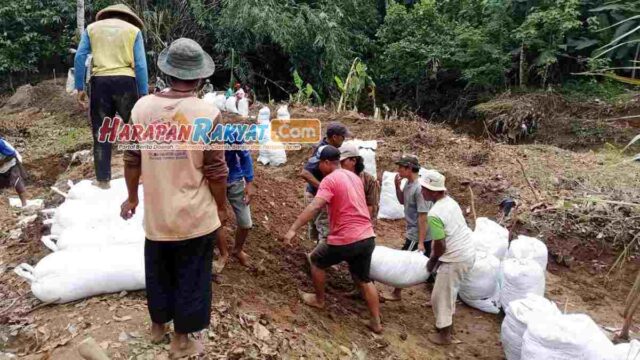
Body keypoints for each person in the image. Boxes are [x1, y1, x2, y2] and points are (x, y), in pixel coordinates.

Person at [120, 38, 227, 359]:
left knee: (159, 270)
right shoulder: (208, 113)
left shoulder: (141, 108)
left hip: (157, 216)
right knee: (192, 277)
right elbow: (217, 171)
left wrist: (131, 198)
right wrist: (220, 206)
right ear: (199, 78)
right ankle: (180, 341)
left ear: (166, 74)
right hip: (194, 216)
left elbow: (131, 159)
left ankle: (157, 329)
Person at [284, 145, 382, 334]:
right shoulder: (354, 177)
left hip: (346, 238)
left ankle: (319, 300)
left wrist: (293, 229)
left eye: (319, 164)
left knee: (316, 260)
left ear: (327, 163)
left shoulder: (330, 180)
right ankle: (376, 322)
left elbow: (315, 206)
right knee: (363, 279)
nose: (318, 168)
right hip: (367, 236)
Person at [74, 4, 148, 189]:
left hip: (100, 83)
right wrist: (144, 93)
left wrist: (79, 87)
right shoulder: (133, 30)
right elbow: (140, 64)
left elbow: (80, 57)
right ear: (128, 17)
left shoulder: (92, 29)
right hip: (126, 83)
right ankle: (143, 175)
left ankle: (103, 180)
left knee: (102, 132)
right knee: (135, 130)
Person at [420, 170, 475, 345]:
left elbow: (440, 244)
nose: (422, 192)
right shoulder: (450, 202)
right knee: (448, 290)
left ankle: (444, 336)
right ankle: (447, 326)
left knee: (440, 296)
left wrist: (433, 261)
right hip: (467, 251)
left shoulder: (435, 214)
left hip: (456, 257)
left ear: (436, 192)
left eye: (425, 189)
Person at [382, 155, 431, 302]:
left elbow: (423, 217)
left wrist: (420, 241)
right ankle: (436, 294)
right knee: (432, 262)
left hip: (418, 232)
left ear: (409, 169)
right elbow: (403, 201)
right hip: (418, 231)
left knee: (404, 260)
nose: (398, 170)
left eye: (400, 167)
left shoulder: (419, 188)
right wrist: (397, 187)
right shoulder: (409, 184)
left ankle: (396, 292)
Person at [300, 122, 351, 243]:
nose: (344, 140)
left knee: (318, 230)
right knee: (326, 231)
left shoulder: (327, 148)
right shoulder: (323, 150)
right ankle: (322, 259)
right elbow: (305, 173)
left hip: (314, 193)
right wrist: (323, 187)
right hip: (318, 196)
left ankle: (315, 256)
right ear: (335, 137)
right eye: (343, 137)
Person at [214, 134, 255, 272]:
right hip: (212, 181)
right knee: (217, 219)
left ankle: (237, 250)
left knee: (245, 223)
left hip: (234, 179)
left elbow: (245, 155)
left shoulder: (231, 134)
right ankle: (223, 253)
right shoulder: (199, 135)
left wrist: (249, 182)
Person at [338, 143, 379, 223]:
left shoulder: (368, 180)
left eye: (342, 161)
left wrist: (363, 223)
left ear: (353, 161)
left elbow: (370, 205)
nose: (340, 165)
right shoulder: (338, 178)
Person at [0, 138, 28, 207]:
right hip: (2, 166)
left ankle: (24, 204)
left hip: (12, 161)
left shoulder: (0, 144)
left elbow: (12, 154)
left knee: (16, 181)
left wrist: (2, 162)